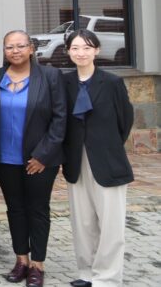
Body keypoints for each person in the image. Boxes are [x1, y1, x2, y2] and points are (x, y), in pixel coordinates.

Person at [61, 29, 134, 287]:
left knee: (111, 224)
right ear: (68, 52)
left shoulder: (112, 82)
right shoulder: (64, 83)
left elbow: (125, 120)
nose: (81, 53)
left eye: (87, 47)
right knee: (83, 221)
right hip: (75, 160)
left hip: (107, 160)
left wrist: (106, 145)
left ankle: (108, 278)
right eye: (76, 48)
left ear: (97, 50)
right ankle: (87, 273)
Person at [0, 30, 66, 287]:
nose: (15, 51)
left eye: (20, 46)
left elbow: (60, 119)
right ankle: (21, 260)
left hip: (39, 161)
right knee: (15, 209)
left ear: (31, 48)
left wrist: (43, 155)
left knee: (37, 209)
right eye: (9, 47)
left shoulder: (49, 76)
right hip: (5, 159)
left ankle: (38, 265)